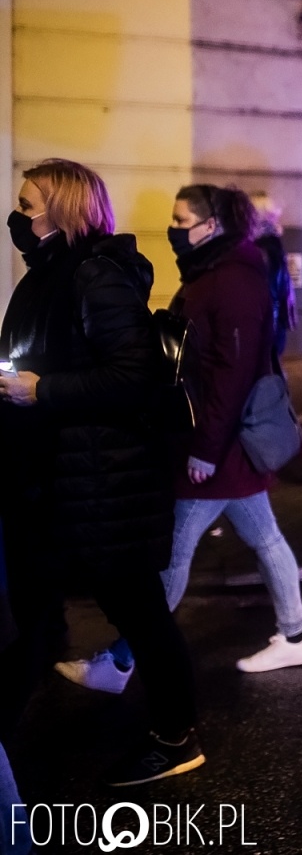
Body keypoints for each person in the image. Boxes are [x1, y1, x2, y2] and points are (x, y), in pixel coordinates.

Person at [57, 185, 302, 692]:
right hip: (222, 444)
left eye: (181, 219)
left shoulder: (232, 280)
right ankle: (296, 634)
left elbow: (230, 374)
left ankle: (123, 659)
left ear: (211, 225)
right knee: (264, 537)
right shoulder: (216, 272)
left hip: (218, 446)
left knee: (173, 553)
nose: (173, 228)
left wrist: (204, 450)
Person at [0, 159, 201, 785]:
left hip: (108, 487)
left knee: (139, 613)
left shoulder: (96, 276)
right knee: (34, 615)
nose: (19, 215)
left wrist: (42, 391)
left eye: (30, 204)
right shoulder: (48, 274)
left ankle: (175, 735)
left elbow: (132, 376)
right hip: (60, 482)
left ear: (63, 210)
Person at [251, 191, 298, 358]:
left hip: (267, 330)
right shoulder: (270, 248)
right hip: (272, 328)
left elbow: (269, 293)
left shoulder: (265, 250)